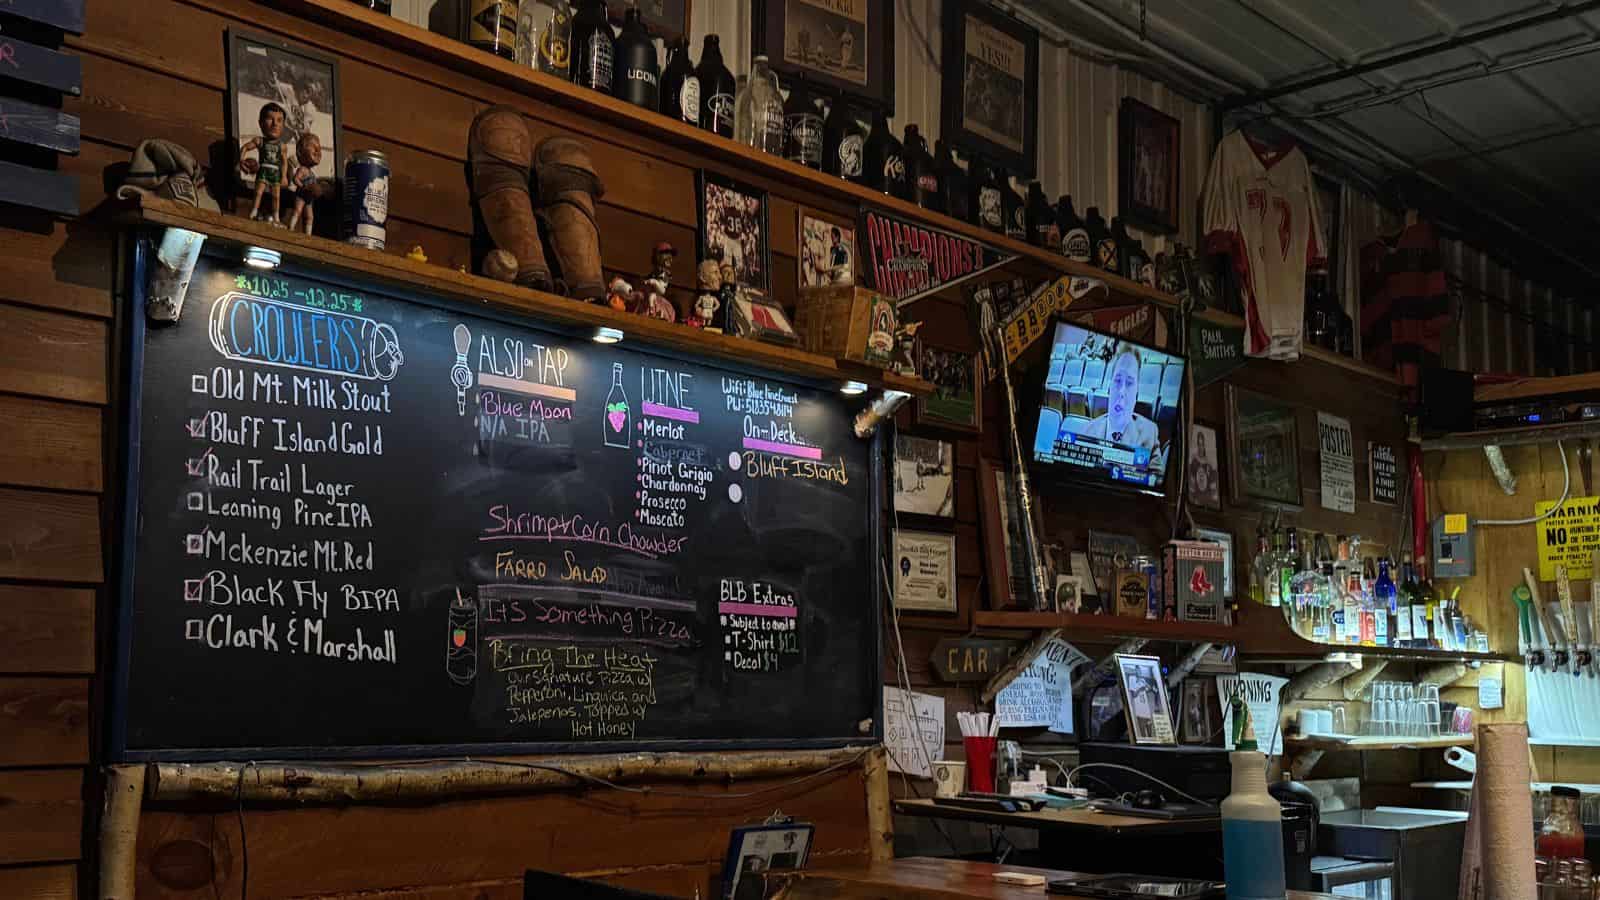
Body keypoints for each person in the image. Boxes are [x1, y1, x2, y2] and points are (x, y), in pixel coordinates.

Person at [1070, 344, 1159, 452]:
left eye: (1129, 383)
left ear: (1136, 393)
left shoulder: (1150, 435)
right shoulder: (1086, 432)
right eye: (1117, 380)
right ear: (1109, 388)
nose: (1121, 392)